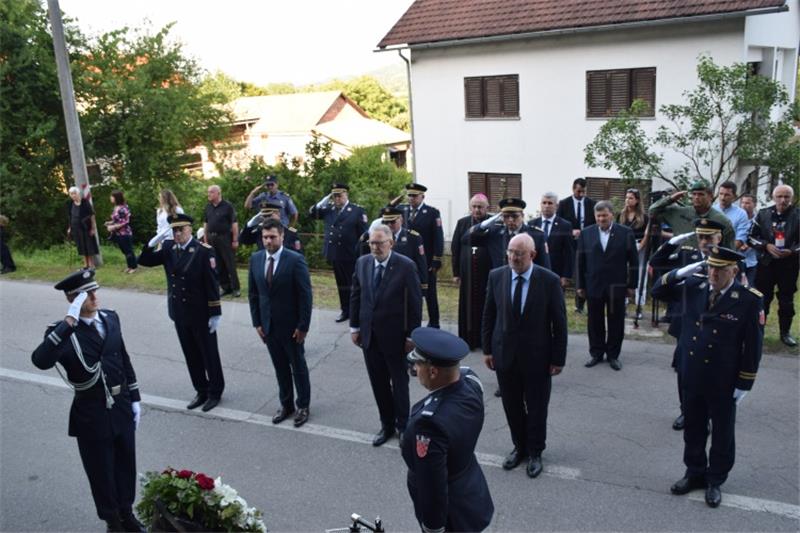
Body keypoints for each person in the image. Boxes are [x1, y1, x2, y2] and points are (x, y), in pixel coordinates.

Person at [31, 270, 145, 532]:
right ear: (72, 299)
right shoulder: (62, 332)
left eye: (95, 290)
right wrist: (68, 322)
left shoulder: (111, 318)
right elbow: (40, 360)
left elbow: (123, 358)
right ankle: (112, 521)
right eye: (86, 294)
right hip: (92, 412)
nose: (94, 296)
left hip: (121, 405)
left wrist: (135, 397)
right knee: (101, 471)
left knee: (126, 464)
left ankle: (127, 514)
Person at [652, 246, 763, 509]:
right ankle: (694, 472)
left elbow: (753, 346)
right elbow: (658, 291)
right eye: (711, 267)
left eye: (720, 269)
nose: (713, 273)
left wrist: (745, 382)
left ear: (733, 271)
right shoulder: (694, 286)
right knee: (693, 427)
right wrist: (679, 272)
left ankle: (715, 479)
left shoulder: (747, 299)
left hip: (723, 378)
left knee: (722, 432)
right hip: (692, 373)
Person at [482, 233, 567, 478]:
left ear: (532, 254)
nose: (513, 257)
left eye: (519, 253)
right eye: (510, 252)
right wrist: (487, 349)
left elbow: (559, 323)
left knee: (537, 407)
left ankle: (535, 452)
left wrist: (558, 359)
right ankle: (519, 447)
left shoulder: (549, 281)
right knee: (512, 405)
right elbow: (489, 315)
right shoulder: (497, 276)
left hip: (538, 357)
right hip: (504, 355)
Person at [402, 327, 494, 532]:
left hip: (451, 511)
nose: (416, 370)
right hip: (471, 490)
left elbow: (433, 486)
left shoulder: (429, 425)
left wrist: (433, 527)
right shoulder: (471, 383)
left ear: (433, 371)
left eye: (418, 364)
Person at [138, 213, 225, 412]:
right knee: (191, 354)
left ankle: (215, 391)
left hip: (201, 312)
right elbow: (144, 261)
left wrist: (215, 312)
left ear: (190, 229)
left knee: (208, 354)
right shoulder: (168, 248)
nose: (177, 233)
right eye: (174, 230)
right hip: (179, 312)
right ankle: (201, 389)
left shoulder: (204, 251)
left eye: (181, 229)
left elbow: (212, 283)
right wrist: (152, 243)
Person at [649, 218, 729, 431]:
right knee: (685, 371)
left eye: (709, 237)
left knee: (712, 372)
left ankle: (710, 414)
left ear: (719, 238)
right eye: (700, 236)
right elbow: (657, 263)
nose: (704, 241)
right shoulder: (686, 255)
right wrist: (672, 243)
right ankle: (686, 411)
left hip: (715, 327)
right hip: (687, 324)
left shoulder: (728, 260)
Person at [350, 225, 422, 446]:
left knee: (399, 384)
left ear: (391, 243)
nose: (375, 247)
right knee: (378, 383)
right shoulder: (362, 263)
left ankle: (403, 426)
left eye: (380, 243)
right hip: (369, 337)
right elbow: (356, 296)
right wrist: (355, 327)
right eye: (372, 243)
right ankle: (386, 424)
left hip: (396, 338)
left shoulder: (405, 266)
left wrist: (411, 336)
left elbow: (415, 303)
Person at [248, 219, 313, 428]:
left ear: (282, 236)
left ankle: (303, 405)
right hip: (268, 326)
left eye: (272, 237)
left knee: (298, 367)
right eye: (265, 237)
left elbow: (305, 296)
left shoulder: (295, 260)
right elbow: (253, 294)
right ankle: (286, 405)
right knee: (280, 367)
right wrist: (257, 322)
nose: (268, 241)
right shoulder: (256, 259)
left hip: (292, 327)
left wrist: (303, 326)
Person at [577, 201, 639, 371]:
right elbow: (580, 261)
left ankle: (613, 355)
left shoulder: (625, 233)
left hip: (617, 285)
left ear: (612, 214)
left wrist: (632, 285)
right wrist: (580, 286)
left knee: (616, 321)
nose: (601, 219)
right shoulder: (586, 233)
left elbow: (633, 261)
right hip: (593, 284)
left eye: (604, 215)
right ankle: (596, 353)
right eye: (598, 216)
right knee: (594, 321)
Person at [748, 184, 799, 347]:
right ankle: (758, 331)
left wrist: (792, 251)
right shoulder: (763, 214)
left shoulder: (798, 215)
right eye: (779, 196)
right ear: (773, 196)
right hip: (766, 263)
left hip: (789, 265)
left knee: (786, 300)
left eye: (786, 197)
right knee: (762, 298)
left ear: (792, 198)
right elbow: (750, 237)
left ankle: (785, 333)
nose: (783, 200)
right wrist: (766, 246)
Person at [309, 183, 368, 322]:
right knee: (341, 284)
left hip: (351, 253)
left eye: (339, 195)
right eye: (334, 196)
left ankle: (356, 311)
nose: (337, 199)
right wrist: (325, 199)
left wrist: (362, 254)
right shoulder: (329, 210)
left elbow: (365, 234)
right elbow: (312, 213)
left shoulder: (357, 210)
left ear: (346, 194)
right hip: (336, 253)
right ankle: (345, 310)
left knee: (354, 284)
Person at [451, 194, 493, 349]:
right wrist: (456, 273)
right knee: (467, 305)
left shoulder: (493, 222)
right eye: (474, 206)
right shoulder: (462, 223)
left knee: (486, 304)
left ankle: (485, 340)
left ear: (487, 208)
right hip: (467, 273)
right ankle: (467, 339)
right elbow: (455, 247)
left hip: (486, 272)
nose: (477, 210)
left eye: (480, 207)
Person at [400, 183, 444, 328]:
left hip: (425, 260)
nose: (411, 198)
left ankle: (434, 322)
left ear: (422, 197)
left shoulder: (432, 212)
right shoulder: (402, 210)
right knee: (408, 292)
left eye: (414, 196)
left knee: (430, 293)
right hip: (406, 259)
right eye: (409, 195)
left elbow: (438, 237)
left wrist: (436, 259)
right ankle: (410, 321)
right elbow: (384, 214)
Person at [464, 197, 551, 271]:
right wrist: (483, 225)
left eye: (514, 216)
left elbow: (545, 266)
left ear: (522, 216)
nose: (510, 220)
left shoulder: (536, 235)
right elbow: (466, 240)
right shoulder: (495, 233)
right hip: (501, 283)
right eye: (506, 216)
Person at [649, 179, 734, 248]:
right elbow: (652, 211)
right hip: (679, 263)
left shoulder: (722, 220)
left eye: (701, 194)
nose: (696, 197)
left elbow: (728, 249)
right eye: (694, 194)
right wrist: (670, 199)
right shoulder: (680, 212)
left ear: (710, 196)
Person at [557, 178, 597, 313]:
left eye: (584, 192)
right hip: (569, 243)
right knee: (567, 270)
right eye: (579, 191)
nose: (581, 194)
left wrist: (585, 232)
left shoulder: (592, 204)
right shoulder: (564, 203)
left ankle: (579, 305)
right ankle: (559, 300)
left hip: (587, 243)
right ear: (573, 189)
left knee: (584, 271)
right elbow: (558, 223)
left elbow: (596, 224)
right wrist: (570, 231)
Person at [616, 188, 651, 315]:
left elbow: (647, 235)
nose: (627, 200)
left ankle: (639, 306)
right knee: (623, 274)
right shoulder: (621, 215)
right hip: (624, 247)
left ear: (637, 200)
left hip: (639, 246)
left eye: (630, 198)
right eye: (626, 197)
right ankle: (623, 303)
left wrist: (640, 246)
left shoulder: (644, 217)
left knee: (641, 275)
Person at [202, 185, 240, 297]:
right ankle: (225, 287)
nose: (209, 194)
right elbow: (206, 224)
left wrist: (235, 240)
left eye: (211, 192)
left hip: (225, 238)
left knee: (230, 264)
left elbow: (234, 224)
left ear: (218, 193)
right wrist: (205, 238)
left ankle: (235, 288)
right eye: (208, 192)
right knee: (218, 264)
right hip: (212, 238)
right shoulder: (208, 207)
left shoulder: (228, 206)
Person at [530, 192, 574, 288]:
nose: (546, 206)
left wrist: (566, 275)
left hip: (556, 272)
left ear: (556, 206)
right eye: (544, 203)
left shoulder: (565, 225)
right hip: (535, 271)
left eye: (550, 203)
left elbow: (568, 252)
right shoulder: (532, 224)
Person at [104, 190, 138, 274]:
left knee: (128, 250)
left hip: (125, 233)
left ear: (116, 197)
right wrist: (110, 222)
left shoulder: (123, 208)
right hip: (118, 234)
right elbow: (117, 219)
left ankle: (133, 267)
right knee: (124, 251)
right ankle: (129, 266)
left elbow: (125, 221)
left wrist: (113, 227)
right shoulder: (116, 207)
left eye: (112, 196)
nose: (110, 198)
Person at [66, 186, 98, 269]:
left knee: (88, 245)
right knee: (81, 246)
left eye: (74, 193)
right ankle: (85, 264)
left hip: (86, 227)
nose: (73, 195)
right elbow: (70, 216)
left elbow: (92, 215)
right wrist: (69, 227)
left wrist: (93, 228)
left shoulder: (85, 202)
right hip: (76, 228)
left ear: (78, 193)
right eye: (71, 194)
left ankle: (91, 264)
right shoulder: (70, 203)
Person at [714, 181, 750, 251]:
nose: (722, 198)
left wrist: (723, 253)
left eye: (727, 195)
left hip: (729, 255)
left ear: (734, 196)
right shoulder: (711, 210)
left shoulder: (741, 214)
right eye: (721, 194)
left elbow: (740, 239)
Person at [738, 193, 759, 286]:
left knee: (750, 288)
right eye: (742, 203)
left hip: (751, 260)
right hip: (736, 259)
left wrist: (750, 245)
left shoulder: (759, 220)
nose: (744, 205)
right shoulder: (736, 219)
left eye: (747, 203)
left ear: (754, 204)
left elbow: (762, 237)